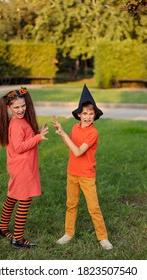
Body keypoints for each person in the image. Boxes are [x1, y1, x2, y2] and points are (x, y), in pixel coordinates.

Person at [52, 84, 113, 250]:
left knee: (94, 207)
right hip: (72, 172)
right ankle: (68, 233)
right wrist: (62, 132)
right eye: (84, 113)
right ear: (79, 114)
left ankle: (103, 237)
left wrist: (64, 135)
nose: (87, 117)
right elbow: (71, 146)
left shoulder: (93, 133)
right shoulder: (74, 128)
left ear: (95, 115)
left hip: (86, 175)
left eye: (91, 113)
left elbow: (78, 151)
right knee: (71, 204)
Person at [0, 87, 49, 248]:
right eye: (16, 107)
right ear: (8, 108)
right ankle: (17, 238)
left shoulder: (19, 120)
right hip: (22, 167)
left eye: (23, 106)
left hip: (19, 166)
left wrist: (36, 134)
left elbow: (24, 140)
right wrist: (38, 137)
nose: (21, 110)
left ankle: (2, 228)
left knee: (13, 196)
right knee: (24, 200)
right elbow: (19, 147)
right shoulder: (17, 124)